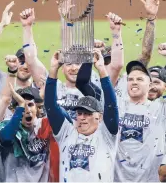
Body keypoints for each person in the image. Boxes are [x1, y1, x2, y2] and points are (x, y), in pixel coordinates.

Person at [114, 42, 166, 182]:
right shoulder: (118, 104)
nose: (134, 82)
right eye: (131, 79)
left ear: (149, 84)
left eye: (140, 79)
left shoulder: (162, 109)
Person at [44, 48, 119, 182]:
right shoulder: (66, 133)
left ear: (99, 116)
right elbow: (51, 106)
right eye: (80, 113)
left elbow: (111, 106)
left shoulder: (106, 135)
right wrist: (54, 69)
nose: (83, 117)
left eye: (88, 113)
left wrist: (102, 70)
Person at [0, 85, 51, 182]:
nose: (27, 110)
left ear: (36, 108)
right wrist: (20, 108)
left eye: (30, 105)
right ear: (13, 111)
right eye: (22, 106)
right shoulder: (6, 127)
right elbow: (6, 139)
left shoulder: (43, 127)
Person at [0, 1, 34, 110]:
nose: (25, 66)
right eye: (22, 61)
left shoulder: (38, 88)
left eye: (29, 62)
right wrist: (2, 25)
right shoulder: (0, 79)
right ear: (16, 60)